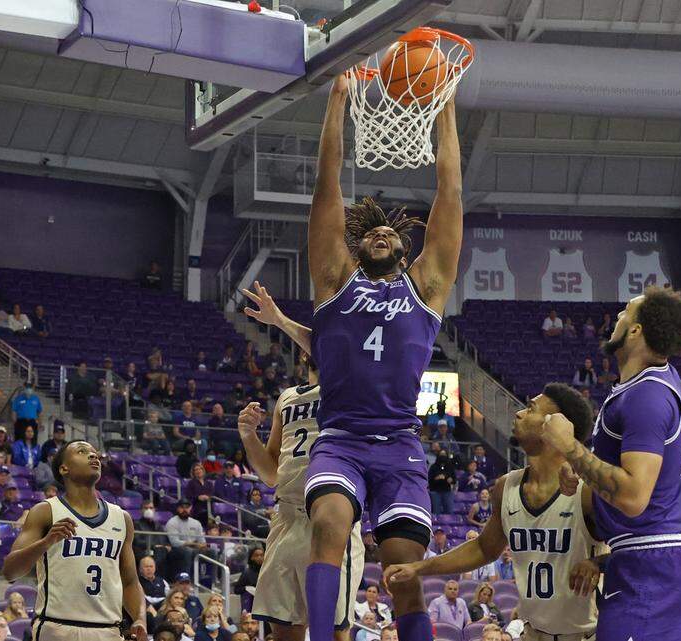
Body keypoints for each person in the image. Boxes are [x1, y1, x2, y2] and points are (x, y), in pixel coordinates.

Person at [290, 71, 462, 641]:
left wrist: (444, 108)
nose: (382, 233)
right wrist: (337, 101)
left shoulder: (427, 287)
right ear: (357, 244)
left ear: (404, 245)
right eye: (373, 232)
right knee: (329, 528)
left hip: (401, 445)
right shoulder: (335, 278)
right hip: (339, 439)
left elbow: (450, 193)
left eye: (392, 230)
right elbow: (327, 186)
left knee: (402, 574)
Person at [538, 286, 681, 641]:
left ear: (635, 331)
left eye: (625, 312)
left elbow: (632, 496)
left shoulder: (647, 396)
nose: (617, 316)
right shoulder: (651, 381)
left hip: (653, 564)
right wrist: (583, 470)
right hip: (655, 560)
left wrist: (569, 448)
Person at [383, 383, 602, 641]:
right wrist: (417, 568)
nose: (519, 414)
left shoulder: (585, 490)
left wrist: (598, 563)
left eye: (530, 409)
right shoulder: (505, 486)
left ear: (556, 425)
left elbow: (632, 548)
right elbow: (484, 549)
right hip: (533, 633)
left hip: (588, 634)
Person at [235, 356, 365, 641]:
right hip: (286, 518)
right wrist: (248, 435)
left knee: (333, 632)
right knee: (283, 630)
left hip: (332, 518)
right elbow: (271, 473)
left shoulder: (354, 388)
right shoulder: (287, 397)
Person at [2, 440, 147, 641]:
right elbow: (10, 572)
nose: (93, 456)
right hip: (57, 628)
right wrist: (46, 542)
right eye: (82, 451)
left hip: (108, 630)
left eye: (95, 453)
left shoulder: (122, 518)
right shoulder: (45, 511)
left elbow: (130, 581)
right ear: (64, 468)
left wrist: (140, 618)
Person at [163, 500, 208, 582]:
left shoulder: (196, 523)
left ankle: (212, 582)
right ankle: (186, 581)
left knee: (212, 552)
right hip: (175, 551)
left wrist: (202, 545)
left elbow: (202, 542)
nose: (184, 510)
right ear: (178, 509)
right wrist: (193, 544)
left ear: (190, 508)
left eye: (187, 507)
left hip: (193, 549)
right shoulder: (172, 522)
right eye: (182, 507)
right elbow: (175, 542)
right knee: (188, 551)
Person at [428, 449, 457, 515]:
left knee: (449, 511)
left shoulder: (450, 466)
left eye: (444, 454)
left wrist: (451, 480)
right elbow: (429, 480)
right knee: (436, 512)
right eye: (441, 454)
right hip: (435, 491)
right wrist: (436, 478)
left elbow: (454, 480)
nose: (443, 456)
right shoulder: (433, 467)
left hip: (447, 491)